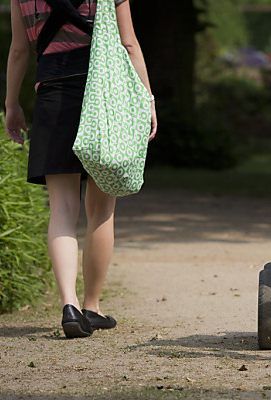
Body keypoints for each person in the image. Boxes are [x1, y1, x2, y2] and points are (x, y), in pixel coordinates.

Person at [4, 0, 157, 338]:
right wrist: (146, 98)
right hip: (103, 96)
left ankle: (69, 305)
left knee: (62, 208)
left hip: (53, 95)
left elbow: (18, 50)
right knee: (101, 208)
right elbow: (128, 43)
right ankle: (92, 304)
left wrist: (12, 104)